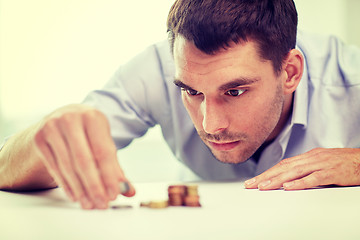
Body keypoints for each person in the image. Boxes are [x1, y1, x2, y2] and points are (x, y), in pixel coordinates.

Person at [0, 0, 359, 210]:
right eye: (191, 92)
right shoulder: (157, 70)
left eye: (234, 91)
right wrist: (44, 140)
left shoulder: (351, 78)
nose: (211, 124)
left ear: (291, 72)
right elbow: (3, 166)